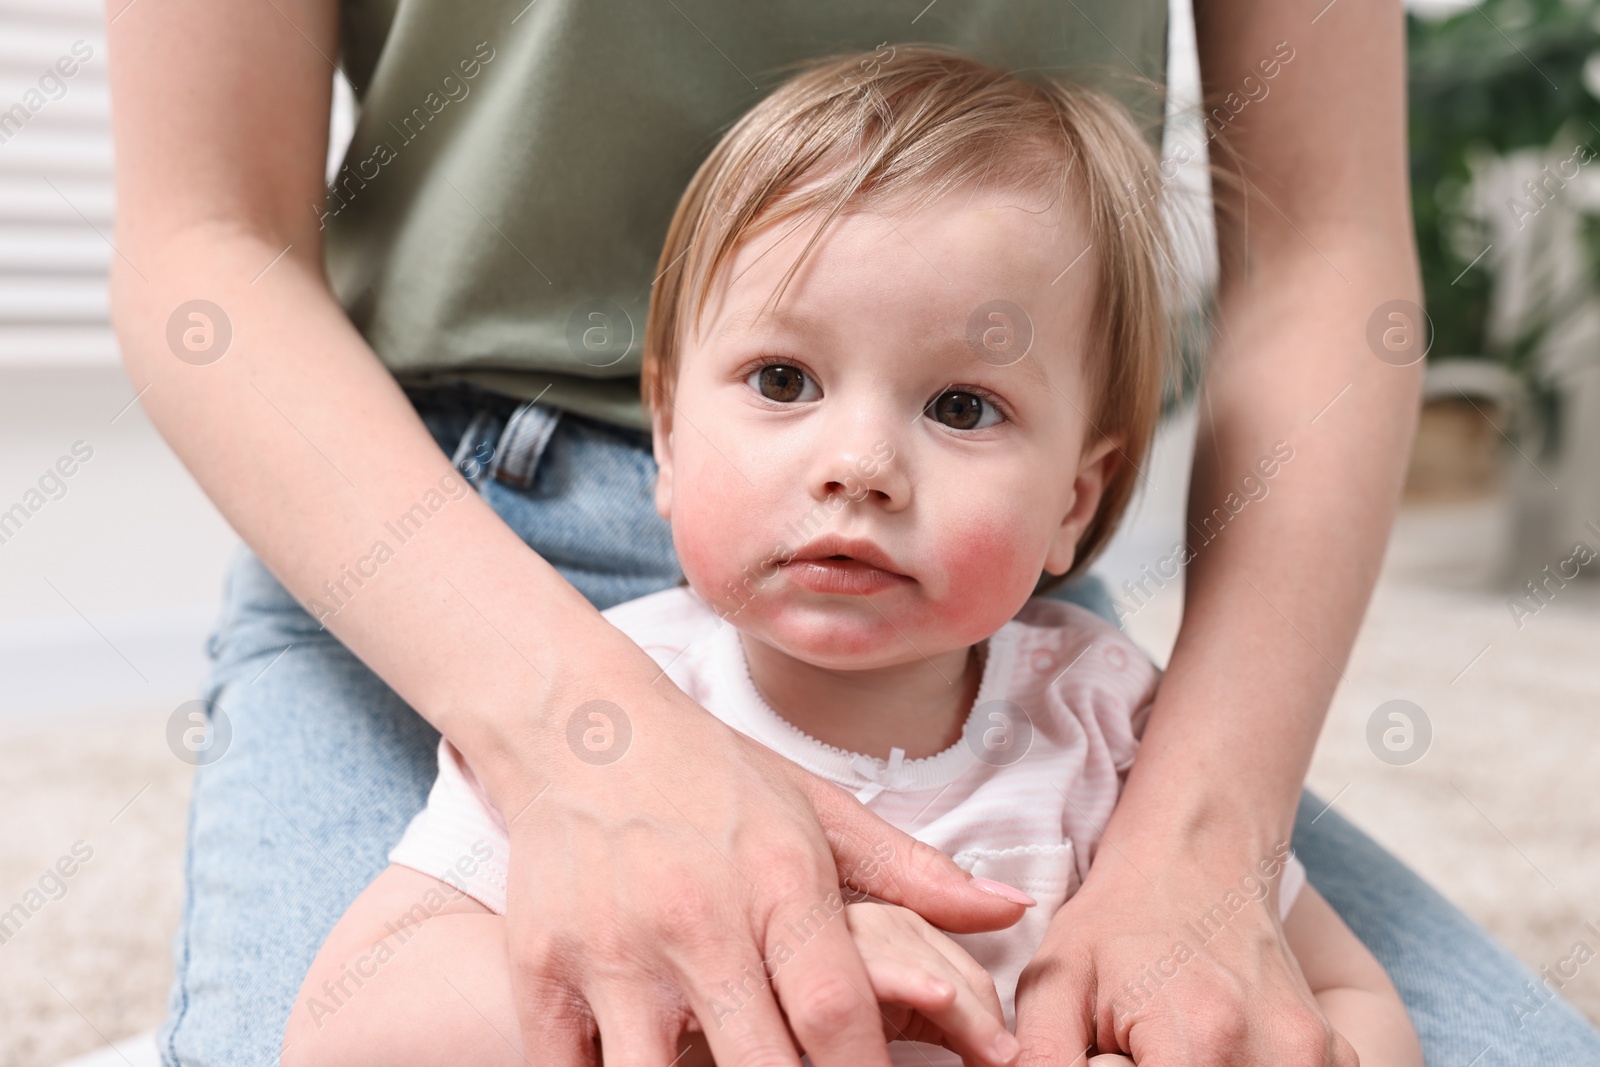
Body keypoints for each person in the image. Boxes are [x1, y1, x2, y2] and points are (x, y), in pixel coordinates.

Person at [104, 1, 1600, 1064]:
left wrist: (1207, 850)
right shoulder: (658, 665)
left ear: (1084, 493)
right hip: (439, 541)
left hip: (989, 604)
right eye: (782, 382)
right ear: (681, 424)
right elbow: (202, 243)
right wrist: (745, 985)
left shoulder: (1086, 717)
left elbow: (1331, 244)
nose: (860, 466)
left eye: (960, 404)